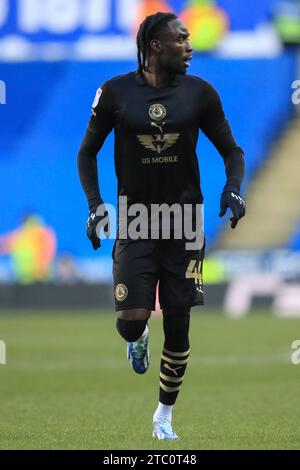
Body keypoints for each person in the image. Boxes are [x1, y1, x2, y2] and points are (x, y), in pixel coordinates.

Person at [77, 12, 245, 440]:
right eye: (181, 39)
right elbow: (87, 153)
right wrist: (96, 206)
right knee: (131, 322)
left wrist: (233, 188)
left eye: (188, 39)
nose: (189, 46)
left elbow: (232, 150)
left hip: (185, 222)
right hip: (135, 220)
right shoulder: (114, 93)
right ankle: (138, 336)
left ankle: (163, 416)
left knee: (179, 321)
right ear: (156, 46)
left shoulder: (201, 94)